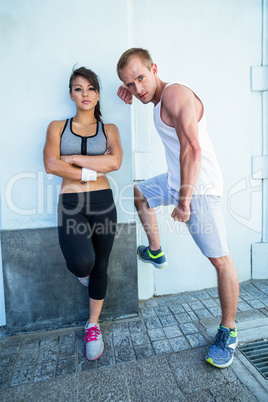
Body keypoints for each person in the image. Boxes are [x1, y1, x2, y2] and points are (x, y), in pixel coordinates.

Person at [116, 48, 239, 369]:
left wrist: (184, 200)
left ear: (155, 68)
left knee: (220, 261)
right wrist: (129, 88)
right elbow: (142, 91)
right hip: (177, 178)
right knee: (140, 194)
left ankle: (229, 331)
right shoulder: (156, 98)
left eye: (141, 77)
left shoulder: (174, 94)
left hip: (199, 188)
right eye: (130, 84)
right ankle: (155, 250)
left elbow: (193, 148)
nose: (137, 88)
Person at [43, 67, 122, 361]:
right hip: (71, 203)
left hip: (104, 203)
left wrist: (73, 159)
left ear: (98, 94)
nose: (84, 94)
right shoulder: (56, 127)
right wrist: (93, 169)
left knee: (101, 266)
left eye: (90, 88)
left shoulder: (109, 129)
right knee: (81, 263)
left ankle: (92, 325)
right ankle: (83, 274)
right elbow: (51, 164)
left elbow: (114, 163)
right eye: (78, 88)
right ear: (71, 94)